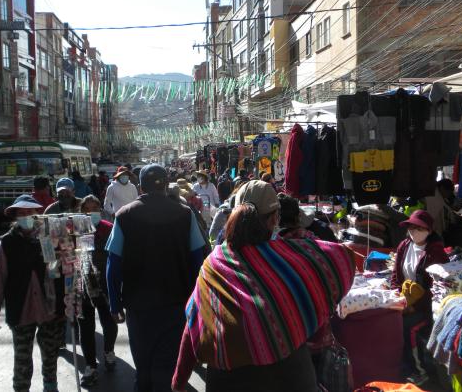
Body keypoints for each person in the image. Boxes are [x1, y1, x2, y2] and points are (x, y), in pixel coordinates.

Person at [172, 180, 355, 392]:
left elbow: (194, 322)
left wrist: (179, 379)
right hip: (291, 376)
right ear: (275, 218)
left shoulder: (214, 264)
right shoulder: (291, 258)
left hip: (228, 381)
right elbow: (342, 258)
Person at [105, 164, 206, 392]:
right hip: (177, 304)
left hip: (138, 307)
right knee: (167, 366)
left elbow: (113, 263)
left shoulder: (124, 215)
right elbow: (198, 260)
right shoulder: (185, 213)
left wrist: (114, 302)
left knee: (143, 366)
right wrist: (200, 302)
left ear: (140, 187)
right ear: (166, 185)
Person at [0, 195, 65, 392]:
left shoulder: (47, 238)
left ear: (37, 214)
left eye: (30, 212)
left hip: (48, 307)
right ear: (15, 217)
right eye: (21, 213)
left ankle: (50, 386)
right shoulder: (7, 243)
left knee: (50, 354)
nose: (26, 216)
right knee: (22, 358)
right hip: (20, 308)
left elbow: (54, 270)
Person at [390, 210, 449, 386]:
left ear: (429, 231)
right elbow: (396, 274)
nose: (413, 231)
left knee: (409, 327)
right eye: (410, 227)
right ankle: (401, 363)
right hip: (405, 299)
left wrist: (415, 306)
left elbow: (438, 288)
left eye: (418, 228)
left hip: (426, 307)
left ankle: (420, 371)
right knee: (388, 319)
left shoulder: (436, 253)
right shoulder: (404, 245)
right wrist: (397, 295)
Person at [77, 195, 119, 387]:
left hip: (104, 283)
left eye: (94, 208)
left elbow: (116, 256)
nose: (91, 212)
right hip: (81, 285)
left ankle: (109, 351)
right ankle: (90, 365)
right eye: (87, 209)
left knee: (108, 322)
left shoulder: (108, 228)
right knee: (85, 327)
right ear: (81, 211)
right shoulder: (74, 230)